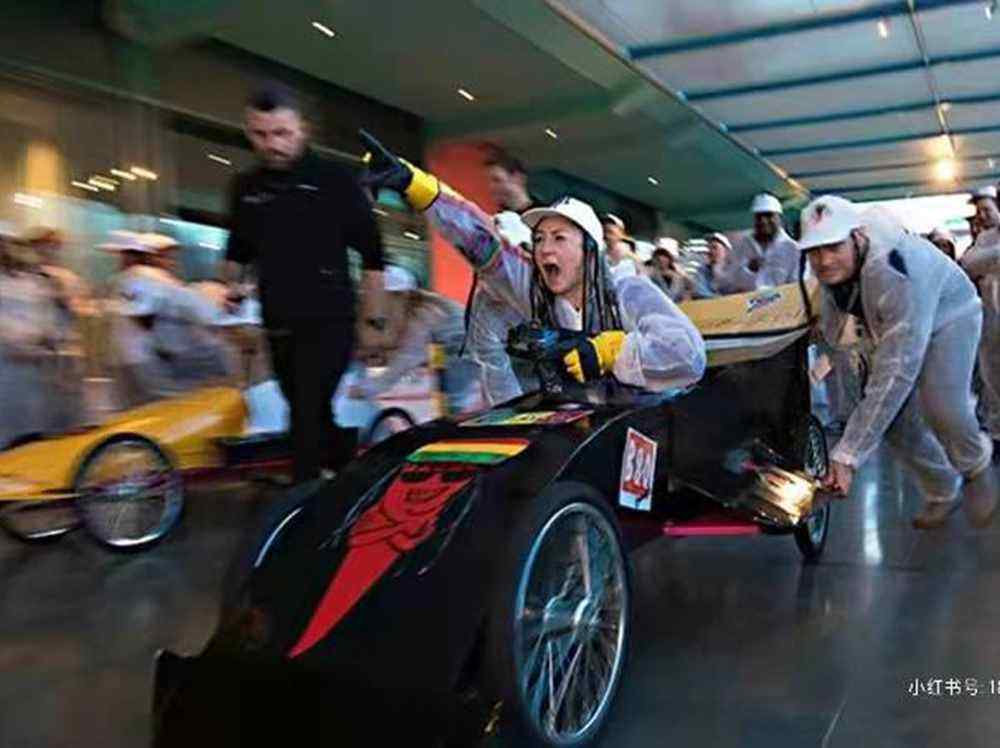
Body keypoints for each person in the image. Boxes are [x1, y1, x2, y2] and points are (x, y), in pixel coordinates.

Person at [360, 131, 706, 393]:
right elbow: (479, 240)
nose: (544, 249)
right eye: (540, 239)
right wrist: (412, 183)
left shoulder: (628, 290)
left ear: (589, 250)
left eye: (559, 238)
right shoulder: (534, 287)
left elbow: (688, 355)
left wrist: (611, 350)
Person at [800, 195, 996, 529]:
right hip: (898, 325)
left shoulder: (893, 268)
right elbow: (834, 332)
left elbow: (897, 370)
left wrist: (847, 455)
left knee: (941, 404)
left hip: (951, 315)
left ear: (856, 237)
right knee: (894, 424)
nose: (825, 260)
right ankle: (943, 489)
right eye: (815, 251)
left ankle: (976, 466)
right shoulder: (836, 271)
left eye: (833, 247)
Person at [224, 84, 384, 482]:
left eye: (282, 133)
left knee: (306, 410)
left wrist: (373, 322)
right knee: (306, 405)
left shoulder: (334, 179)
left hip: (331, 318)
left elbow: (373, 255)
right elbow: (237, 253)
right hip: (278, 317)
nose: (272, 144)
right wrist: (233, 290)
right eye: (261, 134)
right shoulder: (246, 188)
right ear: (249, 132)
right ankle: (349, 468)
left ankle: (303, 497)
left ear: (303, 130)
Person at [353, 265, 481, 413]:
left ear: (402, 296)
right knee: (444, 397)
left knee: (453, 403)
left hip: (463, 348)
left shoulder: (424, 313)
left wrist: (368, 389)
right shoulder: (414, 308)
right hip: (449, 347)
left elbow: (408, 357)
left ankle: (458, 420)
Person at [464, 150, 535, 405]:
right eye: (490, 181)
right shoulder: (496, 222)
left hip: (536, 332)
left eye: (497, 179)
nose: (492, 187)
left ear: (517, 178)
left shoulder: (544, 219)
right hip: (503, 334)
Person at [0, 237, 58, 447]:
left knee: (31, 421)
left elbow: (46, 316)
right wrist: (15, 341)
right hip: (6, 362)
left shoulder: (34, 283)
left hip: (32, 365)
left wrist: (43, 340)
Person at [961, 185, 1000, 449]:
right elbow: (969, 264)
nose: (982, 216)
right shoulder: (986, 239)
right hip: (991, 321)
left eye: (987, 210)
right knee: (992, 376)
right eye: (979, 211)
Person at [726, 193, 800, 292]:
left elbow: (797, 285)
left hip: (782, 300)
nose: (763, 221)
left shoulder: (793, 249)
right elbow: (731, 282)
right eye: (759, 216)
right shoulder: (743, 245)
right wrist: (749, 270)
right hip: (748, 300)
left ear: (779, 217)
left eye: (769, 215)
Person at [648, 238, 696, 302]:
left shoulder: (679, 275)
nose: (661, 259)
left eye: (664, 255)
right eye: (658, 255)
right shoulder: (650, 274)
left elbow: (691, 287)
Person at [601, 213, 644, 281]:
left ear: (621, 233)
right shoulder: (600, 256)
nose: (606, 235)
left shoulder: (633, 258)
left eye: (610, 232)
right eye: (604, 231)